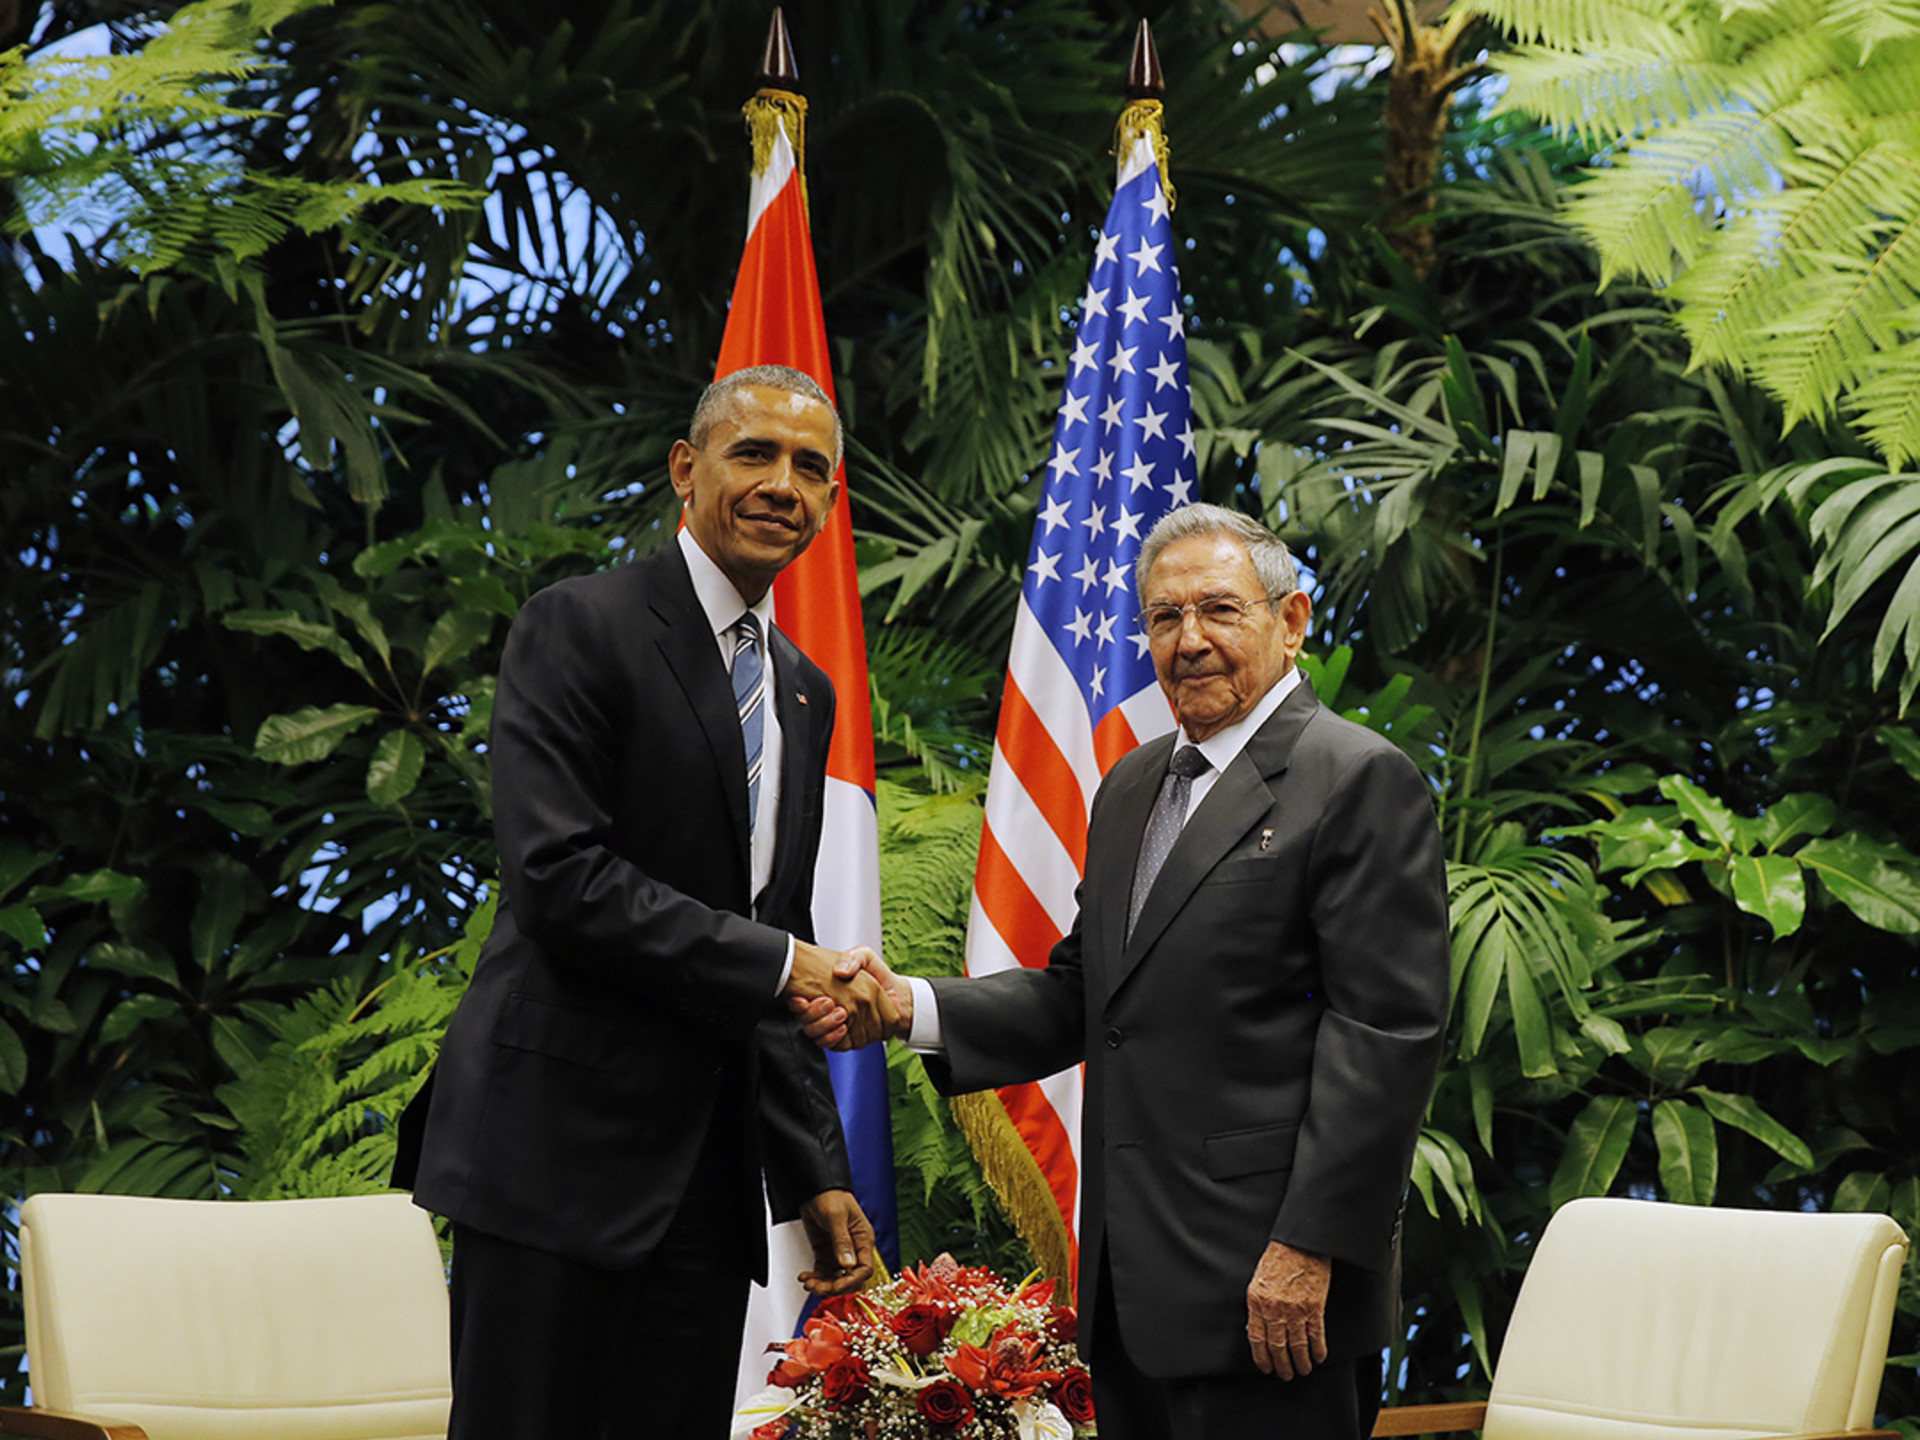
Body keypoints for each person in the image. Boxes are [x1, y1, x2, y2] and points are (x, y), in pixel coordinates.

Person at [802, 503, 1450, 1440]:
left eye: (1219, 610)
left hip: (1276, 1301)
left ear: (1292, 620)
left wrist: (1310, 1247)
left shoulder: (1356, 779)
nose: (1190, 641)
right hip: (1132, 1295)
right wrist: (909, 1007)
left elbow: (1385, 1039)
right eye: (1163, 617)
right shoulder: (1133, 785)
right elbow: (1086, 994)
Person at [393, 365, 896, 1439]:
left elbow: (776, 936)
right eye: (753, 454)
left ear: (832, 501)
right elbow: (557, 876)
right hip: (551, 1161)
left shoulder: (804, 691)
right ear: (686, 468)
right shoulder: (578, 625)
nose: (781, 486)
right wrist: (778, 965)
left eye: (811, 468)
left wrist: (815, 1172)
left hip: (705, 1189)